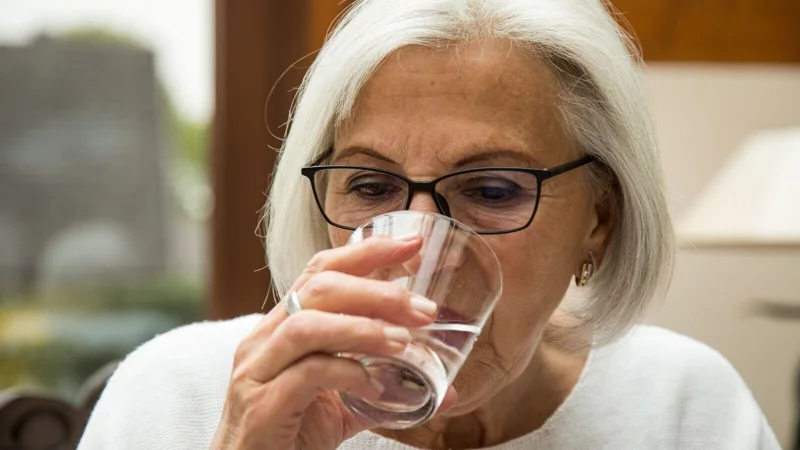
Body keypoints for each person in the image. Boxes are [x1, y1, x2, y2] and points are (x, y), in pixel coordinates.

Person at [77, 0, 780, 449]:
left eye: (494, 189)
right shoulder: (177, 393)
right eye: (372, 185)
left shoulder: (682, 405)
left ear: (598, 220)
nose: (417, 246)